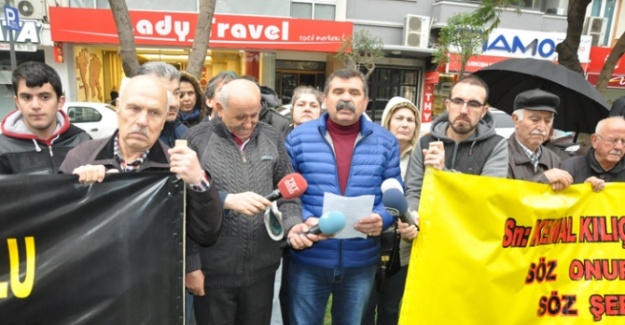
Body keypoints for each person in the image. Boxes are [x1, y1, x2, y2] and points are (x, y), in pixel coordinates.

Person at [58, 75, 223, 290]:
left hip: (154, 291)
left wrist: (198, 182)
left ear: (165, 119)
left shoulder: (176, 167)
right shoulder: (82, 157)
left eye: (154, 113)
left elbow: (207, 233)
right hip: (92, 290)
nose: (142, 121)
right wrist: (77, 188)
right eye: (134, 108)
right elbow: (57, 235)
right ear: (118, 108)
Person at [185, 78, 310, 325]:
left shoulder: (271, 136)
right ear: (219, 109)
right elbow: (184, 207)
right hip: (213, 274)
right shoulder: (196, 140)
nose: (249, 123)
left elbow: (289, 191)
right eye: (240, 117)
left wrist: (293, 224)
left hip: (262, 273)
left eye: (255, 114)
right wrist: (191, 265)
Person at [285, 68, 402, 325]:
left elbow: (394, 192)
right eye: (338, 91)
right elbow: (287, 194)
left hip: (360, 260)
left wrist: (383, 219)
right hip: (310, 257)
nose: (346, 98)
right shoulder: (297, 139)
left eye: (354, 92)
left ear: (366, 101)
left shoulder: (386, 142)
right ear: (326, 99)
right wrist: (304, 220)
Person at [402, 75, 509, 268]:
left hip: (471, 248)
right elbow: (414, 191)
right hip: (428, 243)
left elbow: (488, 198)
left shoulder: (497, 146)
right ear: (447, 104)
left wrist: (444, 173)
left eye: (474, 104)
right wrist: (412, 216)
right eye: (458, 101)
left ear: (484, 111)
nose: (464, 110)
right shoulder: (425, 142)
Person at [362, 96, 421, 325]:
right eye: (399, 118)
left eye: (410, 119)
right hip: (370, 243)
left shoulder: (421, 159)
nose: (405, 123)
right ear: (387, 121)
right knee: (365, 308)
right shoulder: (371, 153)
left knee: (390, 310)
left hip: (404, 249)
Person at [0, 61, 91, 174]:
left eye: (44, 97)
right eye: (27, 97)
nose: (35, 106)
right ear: (17, 102)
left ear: (60, 102)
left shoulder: (83, 141)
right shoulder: (3, 149)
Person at [507, 89, 573, 191]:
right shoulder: (499, 154)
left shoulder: (553, 158)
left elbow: (568, 195)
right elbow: (501, 196)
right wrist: (543, 179)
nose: (542, 127)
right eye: (535, 120)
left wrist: (586, 187)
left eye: (547, 121)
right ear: (516, 120)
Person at [562, 116, 625, 190]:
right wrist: (584, 189)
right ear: (595, 141)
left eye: (624, 141)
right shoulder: (570, 168)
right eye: (612, 140)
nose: (619, 147)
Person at [136, 62, 188, 149]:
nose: (174, 103)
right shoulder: (130, 140)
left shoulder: (186, 134)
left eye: (176, 93)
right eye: (165, 94)